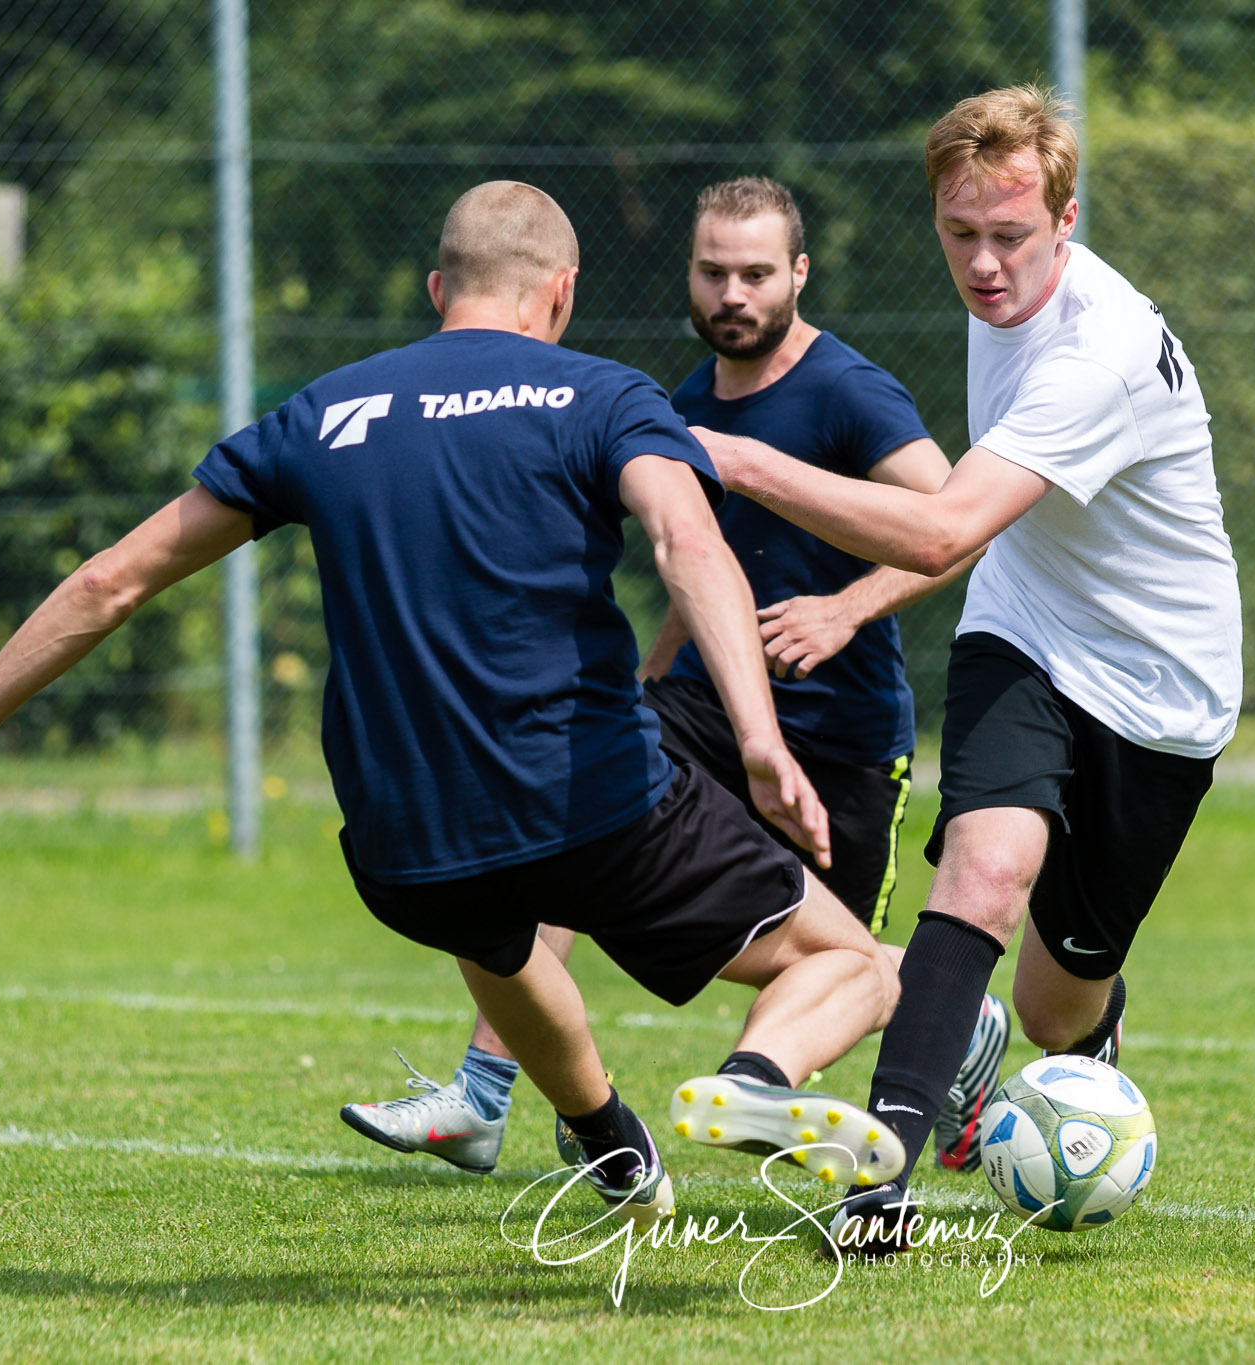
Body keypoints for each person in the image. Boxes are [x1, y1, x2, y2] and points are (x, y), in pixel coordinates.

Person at [0, 181, 904, 1226]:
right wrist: (758, 740)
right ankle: (756, 1080)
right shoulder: (601, 394)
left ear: (438, 290)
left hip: (402, 844)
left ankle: (610, 1142)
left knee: (501, 938)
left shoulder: (325, 411)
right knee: (845, 960)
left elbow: (111, 579)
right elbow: (685, 541)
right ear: (559, 291)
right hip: (592, 805)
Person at [340, 176, 1010, 1179]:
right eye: (711, 272)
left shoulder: (846, 391)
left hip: (838, 736)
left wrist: (843, 609)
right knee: (573, 812)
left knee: (851, 974)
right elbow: (687, 562)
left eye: (753, 273)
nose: (731, 293)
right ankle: (484, 1097)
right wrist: (640, 684)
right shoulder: (681, 401)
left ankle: (958, 1025)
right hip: (698, 704)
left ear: (797, 275)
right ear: (687, 274)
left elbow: (955, 527)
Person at [694, 88, 1242, 1251]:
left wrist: (736, 460)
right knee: (983, 875)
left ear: (1066, 220)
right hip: (1025, 629)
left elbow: (940, 530)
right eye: (960, 235)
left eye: (1011, 237)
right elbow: (976, 543)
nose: (985, 266)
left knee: (1057, 1005)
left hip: (1161, 689)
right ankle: (878, 1184)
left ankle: (1043, 1062)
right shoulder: (998, 294)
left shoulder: (1098, 352)